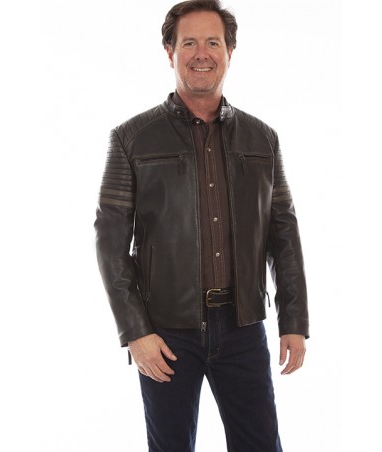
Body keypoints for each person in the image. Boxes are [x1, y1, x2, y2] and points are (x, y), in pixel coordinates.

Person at [95, 1, 309, 450]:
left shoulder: (263, 139)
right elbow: (111, 243)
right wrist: (136, 332)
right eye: (188, 42)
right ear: (169, 52)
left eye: (213, 42)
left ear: (230, 52)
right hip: (165, 332)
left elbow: (283, 234)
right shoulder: (131, 139)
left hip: (243, 327)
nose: (201, 53)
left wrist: (294, 319)